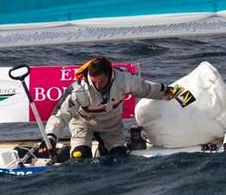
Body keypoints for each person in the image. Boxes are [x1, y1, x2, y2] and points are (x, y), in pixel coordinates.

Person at [41, 56, 175, 160]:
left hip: (111, 125)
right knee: (79, 155)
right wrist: (51, 137)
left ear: (109, 74)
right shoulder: (78, 90)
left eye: (101, 81)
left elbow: (147, 89)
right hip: (83, 124)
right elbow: (60, 115)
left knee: (118, 157)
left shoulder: (124, 80)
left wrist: (171, 92)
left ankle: (103, 150)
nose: (98, 86)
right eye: (94, 82)